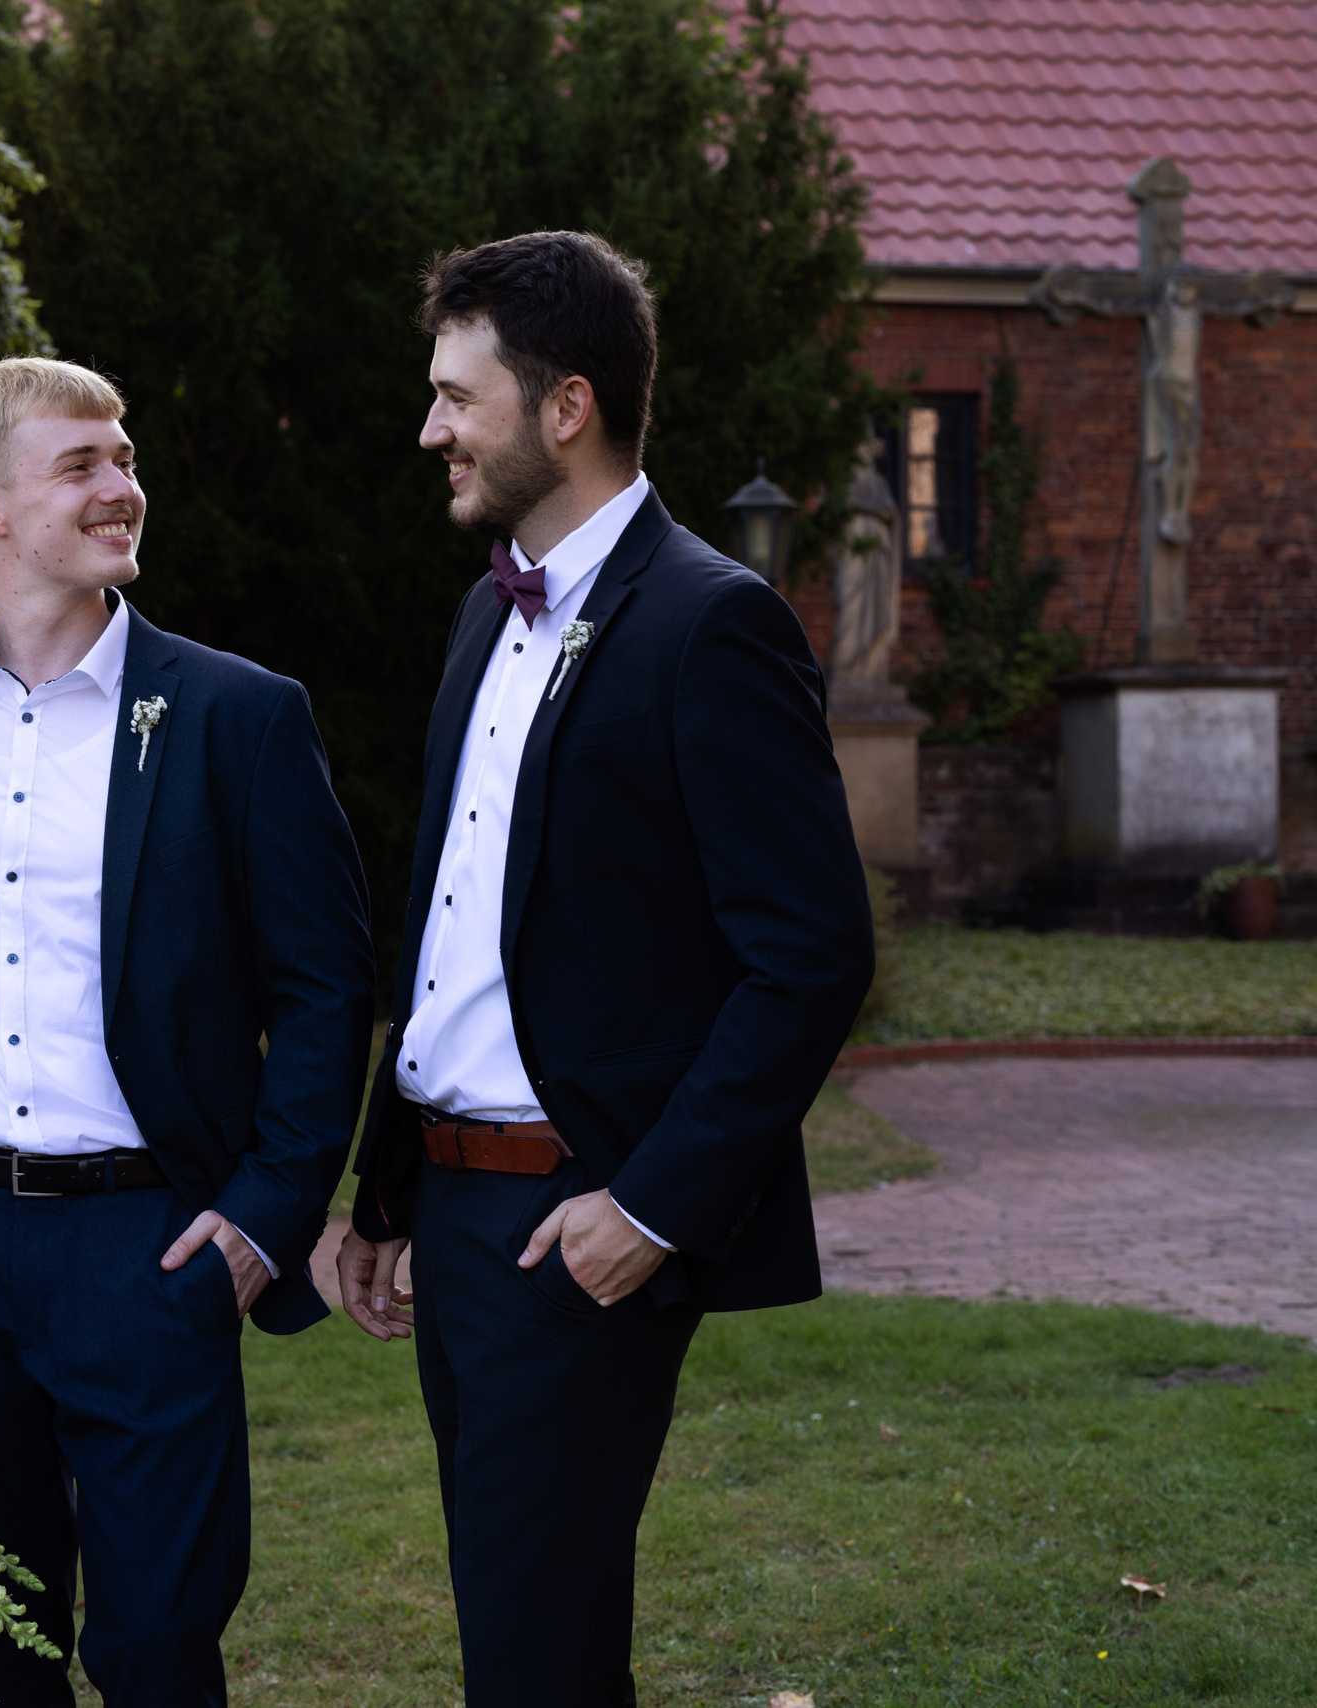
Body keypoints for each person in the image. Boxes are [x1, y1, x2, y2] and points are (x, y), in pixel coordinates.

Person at [338, 232, 874, 1707]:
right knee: (522, 1631)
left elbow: (812, 956)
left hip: (574, 1229)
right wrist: (388, 1186)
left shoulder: (712, 623)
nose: (431, 427)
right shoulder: (484, 612)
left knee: (537, 1654)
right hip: (455, 1212)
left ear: (565, 406)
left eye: (460, 397)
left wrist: (652, 1207)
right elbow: (454, 925)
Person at [0, 356, 377, 1705]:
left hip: (150, 1244)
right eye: (81, 464)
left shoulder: (236, 715)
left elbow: (326, 987)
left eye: (125, 459)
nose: (122, 488)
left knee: (156, 1645)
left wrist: (267, 1214)